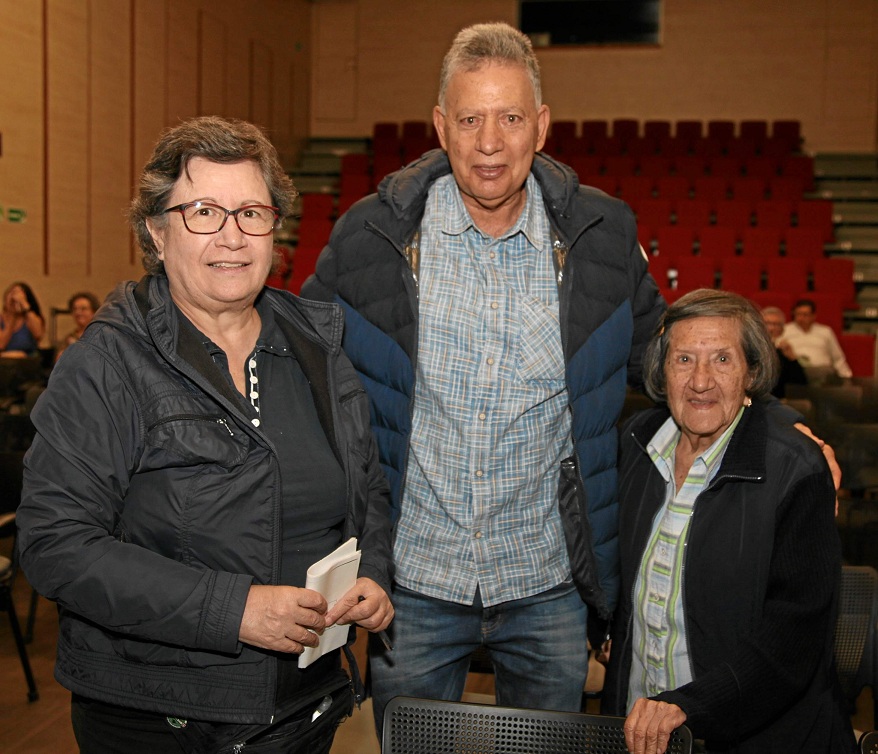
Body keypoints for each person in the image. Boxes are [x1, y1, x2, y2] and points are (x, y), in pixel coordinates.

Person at [301, 22, 665, 732]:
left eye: (510, 117)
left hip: (549, 587)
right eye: (470, 118)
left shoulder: (603, 234)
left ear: (543, 126)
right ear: (441, 126)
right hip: (415, 590)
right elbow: (300, 366)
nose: (490, 142)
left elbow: (671, 363)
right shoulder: (368, 237)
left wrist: (774, 426)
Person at [17, 116, 394, 754]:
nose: (232, 236)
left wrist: (375, 574)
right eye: (202, 212)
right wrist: (236, 609)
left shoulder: (317, 349)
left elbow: (368, 489)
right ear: (157, 233)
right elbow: (56, 543)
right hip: (165, 719)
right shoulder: (106, 364)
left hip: (305, 709)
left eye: (251, 211)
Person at [602, 289, 856, 754]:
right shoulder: (636, 444)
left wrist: (689, 706)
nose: (700, 381)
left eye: (722, 359)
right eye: (683, 359)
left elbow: (793, 640)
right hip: (640, 733)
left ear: (752, 372)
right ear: (662, 370)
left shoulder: (795, 468)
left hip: (756, 738)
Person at [783, 298, 852, 385]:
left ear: (813, 316)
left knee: (827, 374)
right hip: (796, 372)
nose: (801, 318)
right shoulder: (785, 330)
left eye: (805, 315)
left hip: (822, 372)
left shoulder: (825, 331)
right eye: (798, 314)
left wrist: (846, 377)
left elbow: (837, 358)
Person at [760, 305, 807, 398]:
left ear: (782, 330)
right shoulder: (750, 347)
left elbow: (800, 383)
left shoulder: (784, 351)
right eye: (767, 323)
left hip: (776, 400)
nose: (771, 329)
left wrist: (792, 358)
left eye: (776, 324)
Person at [0, 281, 45, 356]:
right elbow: (1, 345)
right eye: (11, 293)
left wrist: (25, 305)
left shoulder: (30, 318)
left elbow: (38, 334)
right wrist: (12, 316)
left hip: (27, 361)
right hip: (4, 361)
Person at [55, 291, 101, 360]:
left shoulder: (102, 336)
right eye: (75, 309)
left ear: (94, 312)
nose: (78, 313)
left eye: (83, 309)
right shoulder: (68, 339)